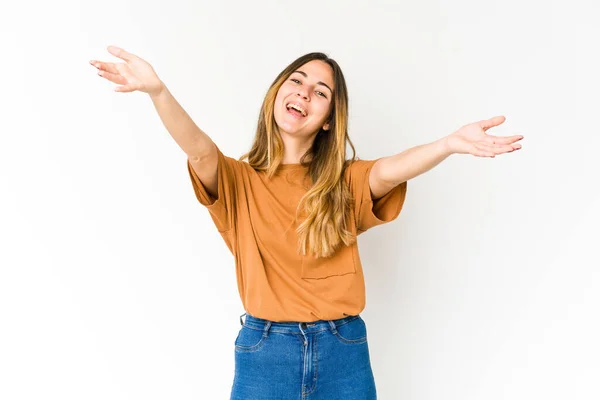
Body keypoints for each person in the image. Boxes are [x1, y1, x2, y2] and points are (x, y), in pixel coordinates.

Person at [90, 45, 523, 399]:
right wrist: (159, 92)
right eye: (296, 80)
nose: (304, 92)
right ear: (277, 93)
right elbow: (200, 151)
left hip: (343, 350)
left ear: (330, 118)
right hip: (266, 353)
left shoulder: (343, 182)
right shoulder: (237, 181)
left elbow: (391, 170)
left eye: (321, 91)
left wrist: (448, 144)